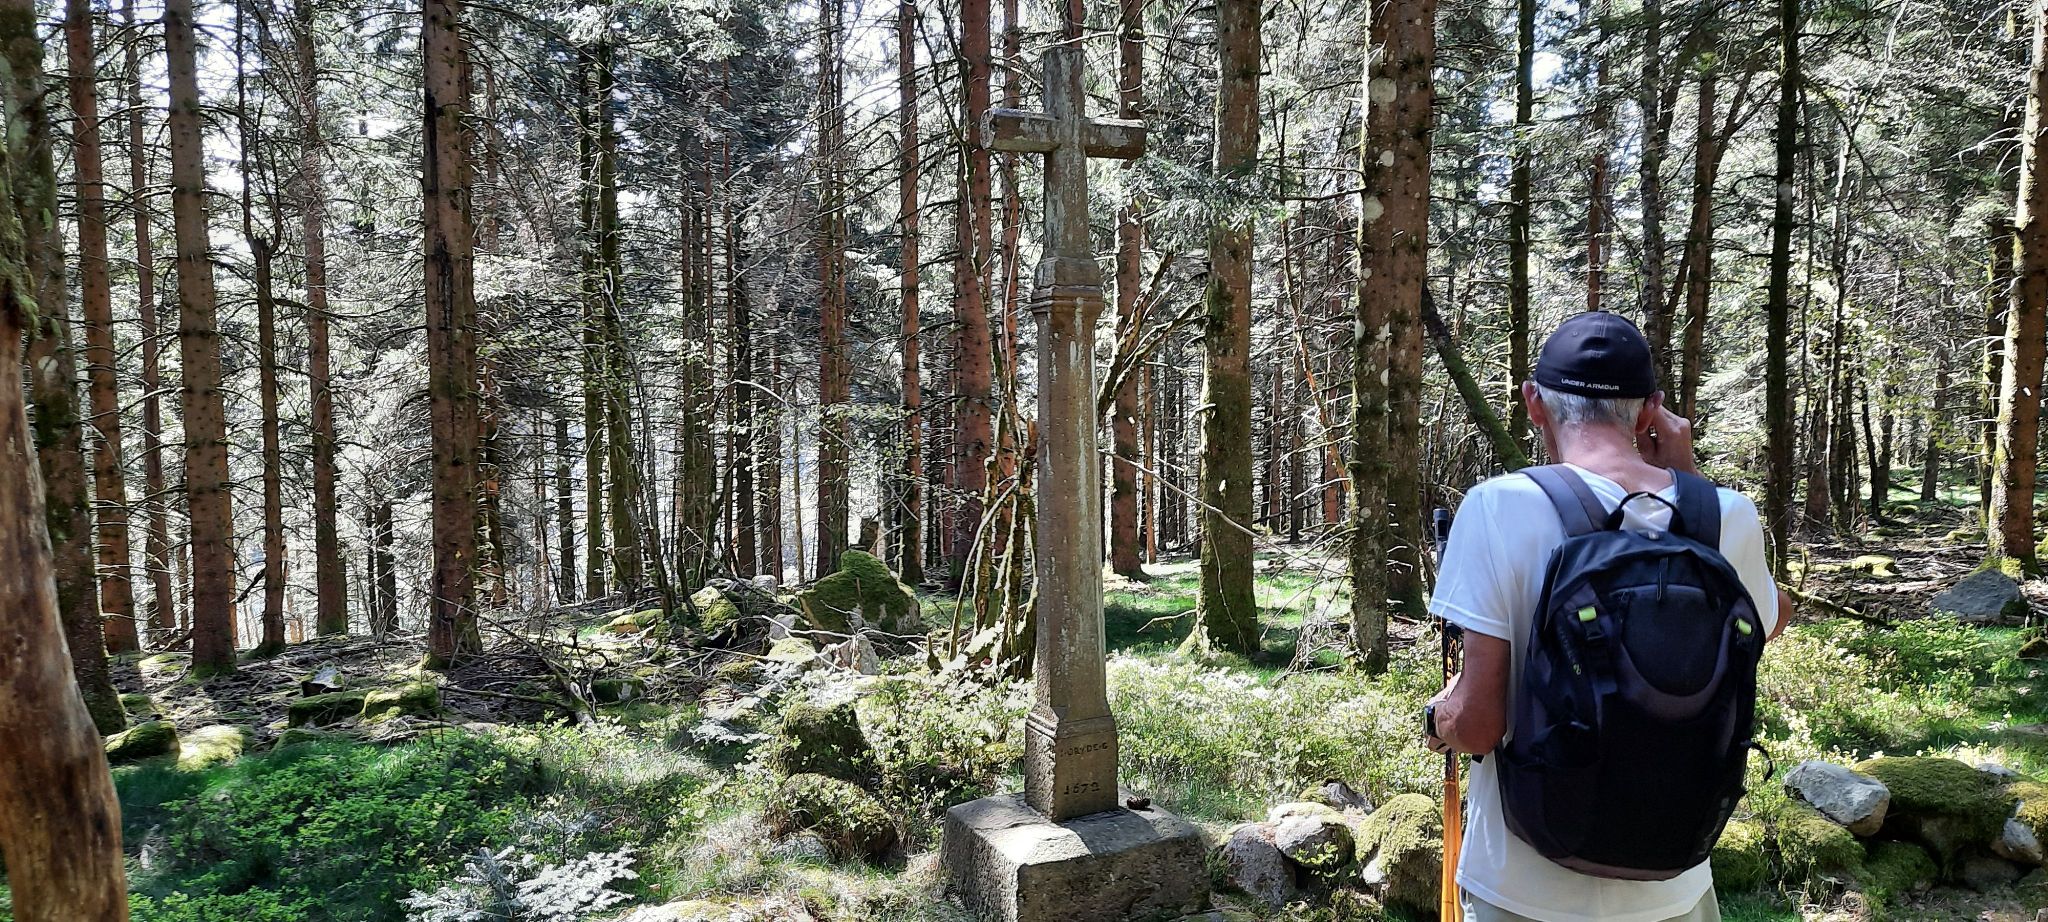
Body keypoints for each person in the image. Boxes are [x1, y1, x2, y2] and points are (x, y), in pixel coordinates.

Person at [1422, 311, 1791, 922]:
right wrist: (1692, 485)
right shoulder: (1728, 514)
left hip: (1525, 885)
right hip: (1674, 879)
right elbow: (1770, 618)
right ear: (1650, 413)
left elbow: (1479, 726)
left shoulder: (1496, 506)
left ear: (1533, 403)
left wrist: (1438, 720)